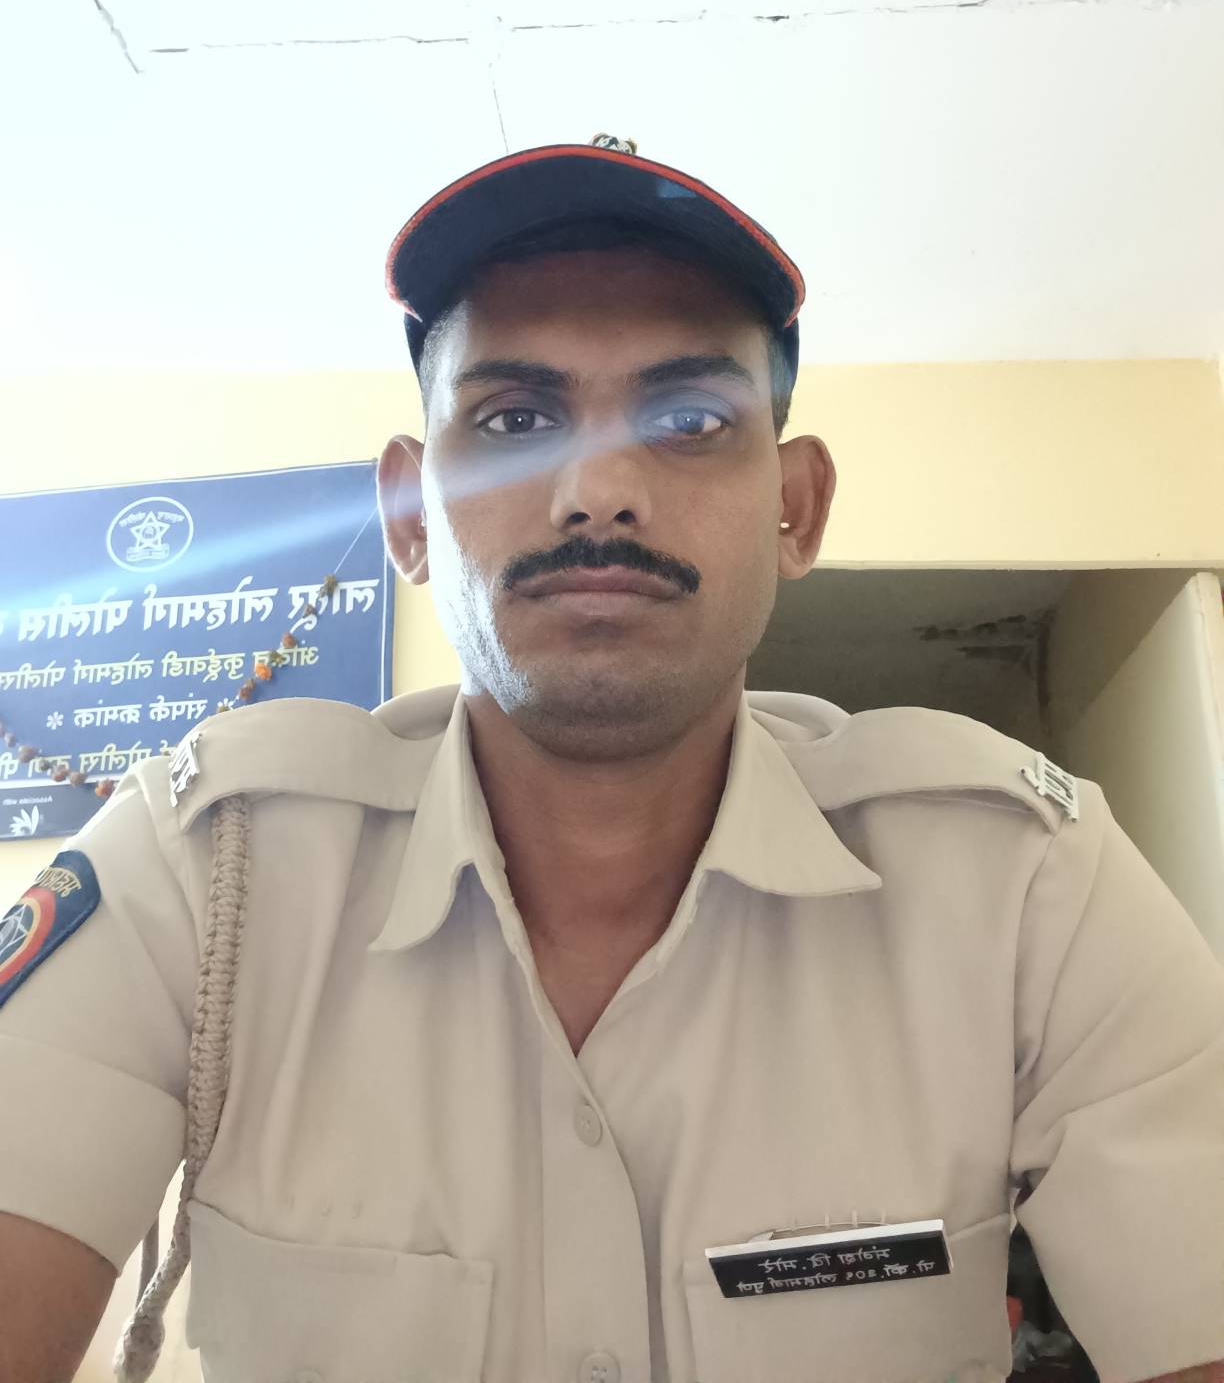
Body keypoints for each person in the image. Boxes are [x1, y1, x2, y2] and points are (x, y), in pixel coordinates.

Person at [1, 134, 1221, 1383]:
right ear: (410, 517)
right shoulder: (204, 872)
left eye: (689, 419)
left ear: (795, 506)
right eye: (515, 419)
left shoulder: (1027, 888)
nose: (596, 490)